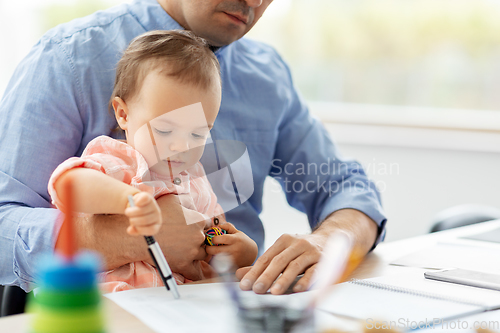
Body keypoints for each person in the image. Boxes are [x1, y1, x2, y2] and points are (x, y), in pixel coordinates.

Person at [0, 0, 387, 295]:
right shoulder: (68, 59)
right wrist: (129, 239)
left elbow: (342, 185)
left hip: (230, 307)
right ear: (121, 111)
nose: (253, 2)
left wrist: (328, 240)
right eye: (166, 129)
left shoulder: (267, 76)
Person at [47, 30, 258, 292]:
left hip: (173, 309)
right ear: (123, 114)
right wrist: (127, 199)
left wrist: (238, 252)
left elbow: (207, 247)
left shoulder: (198, 182)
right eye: (165, 130)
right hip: (109, 302)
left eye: (198, 133)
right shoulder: (121, 159)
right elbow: (68, 185)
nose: (182, 146)